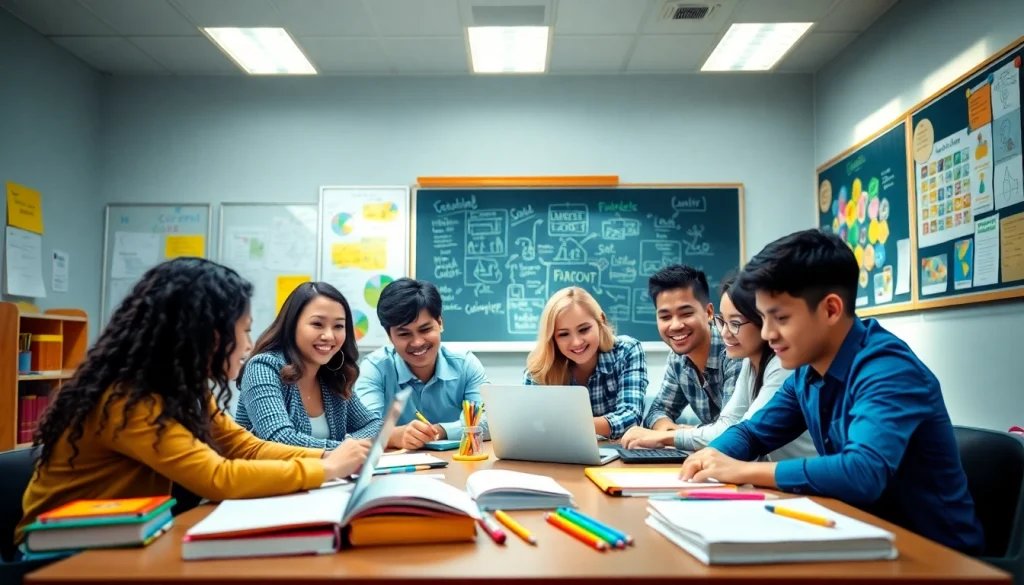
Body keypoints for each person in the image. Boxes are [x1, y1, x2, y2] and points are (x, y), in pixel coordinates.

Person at [15, 258, 369, 546]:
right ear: (208, 334)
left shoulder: (184, 389)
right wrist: (327, 468)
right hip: (61, 551)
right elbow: (217, 477)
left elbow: (241, 445)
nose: (248, 345)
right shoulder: (128, 399)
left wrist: (326, 456)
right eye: (244, 329)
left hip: (128, 535)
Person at [680, 229, 984, 554]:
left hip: (936, 558)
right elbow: (754, 433)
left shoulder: (888, 370)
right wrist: (709, 458)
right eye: (764, 318)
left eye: (780, 318)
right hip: (860, 539)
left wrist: (743, 470)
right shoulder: (807, 371)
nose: (768, 334)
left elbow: (862, 472)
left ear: (831, 310)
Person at [624, 273, 815, 459]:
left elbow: (738, 431)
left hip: (801, 482)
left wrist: (666, 437)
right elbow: (734, 427)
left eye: (735, 323)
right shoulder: (750, 363)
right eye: (722, 321)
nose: (725, 332)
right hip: (775, 478)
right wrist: (669, 434)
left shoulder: (779, 365)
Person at [235, 282, 382, 449]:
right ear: (292, 324)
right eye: (317, 324)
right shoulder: (263, 367)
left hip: (325, 475)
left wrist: (349, 446)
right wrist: (346, 449)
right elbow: (280, 440)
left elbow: (374, 426)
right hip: (266, 474)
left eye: (338, 326)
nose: (329, 335)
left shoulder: (333, 375)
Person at [354, 278, 488, 450]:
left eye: (425, 330)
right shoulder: (374, 368)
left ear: (440, 323)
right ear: (390, 337)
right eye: (404, 334)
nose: (417, 342)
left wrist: (441, 431)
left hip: (456, 465)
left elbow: (491, 421)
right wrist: (396, 436)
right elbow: (362, 429)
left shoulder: (466, 364)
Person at [618, 265, 741, 449]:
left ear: (708, 313)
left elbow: (731, 431)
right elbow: (657, 411)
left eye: (686, 313)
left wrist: (675, 436)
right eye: (665, 317)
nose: (675, 325)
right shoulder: (678, 359)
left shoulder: (733, 350)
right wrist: (670, 432)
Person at [523, 287, 647, 440]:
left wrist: (567, 425)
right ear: (552, 338)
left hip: (615, 457)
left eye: (584, 329)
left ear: (601, 319)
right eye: (563, 334)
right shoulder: (540, 368)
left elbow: (630, 418)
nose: (576, 342)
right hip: (559, 458)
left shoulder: (627, 351)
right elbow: (531, 427)